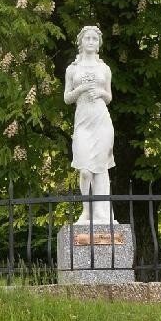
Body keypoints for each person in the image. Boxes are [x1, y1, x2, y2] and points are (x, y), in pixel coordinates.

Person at [64, 26, 117, 224]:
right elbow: (67, 98)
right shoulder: (73, 69)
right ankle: (86, 210)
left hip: (102, 120)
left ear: (98, 44)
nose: (91, 41)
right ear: (81, 41)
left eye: (95, 39)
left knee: (101, 169)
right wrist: (81, 89)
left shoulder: (104, 69)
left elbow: (109, 96)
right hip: (83, 121)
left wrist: (101, 93)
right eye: (88, 38)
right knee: (85, 170)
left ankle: (102, 215)